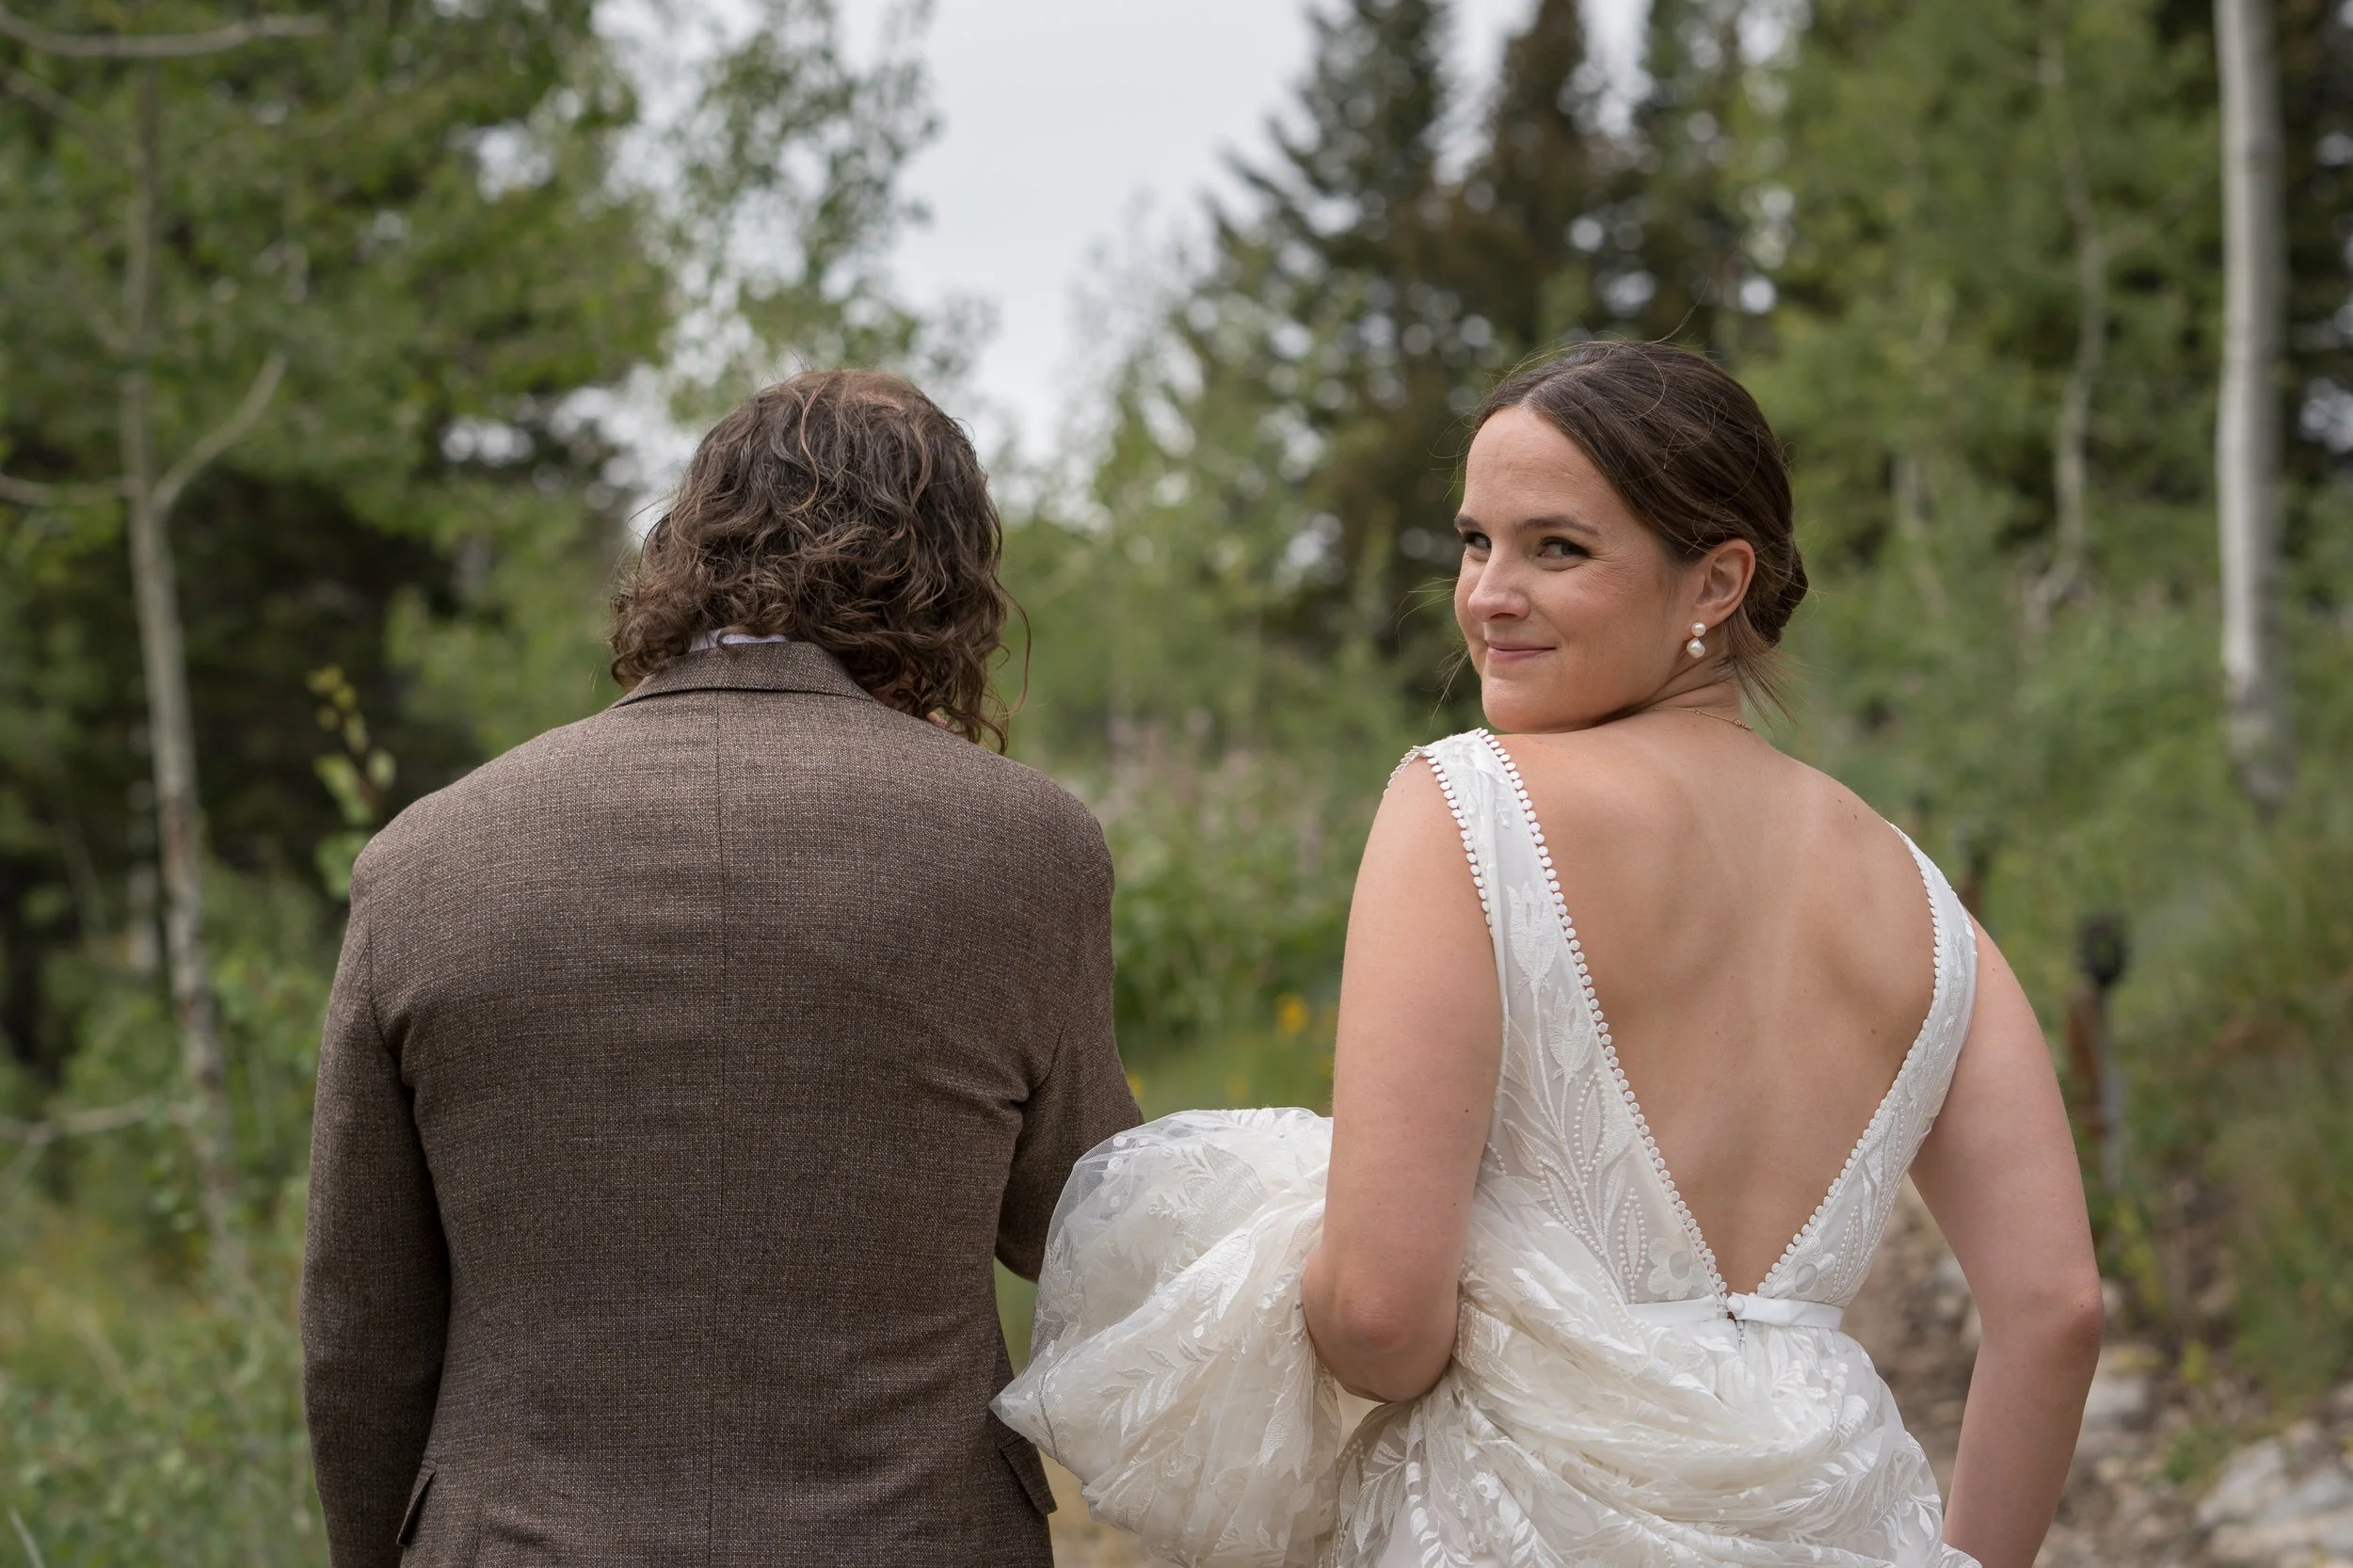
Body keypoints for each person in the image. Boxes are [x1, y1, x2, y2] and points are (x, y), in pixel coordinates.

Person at [994, 341, 2102, 1568]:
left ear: (1716, 581)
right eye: (1476, 541)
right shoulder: (1925, 899)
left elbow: (1378, 1315)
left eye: (1556, 548)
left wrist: (1269, 1253)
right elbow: (2056, 1309)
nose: (1487, 594)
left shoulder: (1467, 806)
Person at [301, 369, 1138, 1568]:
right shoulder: (1024, 847)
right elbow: (1080, 1224)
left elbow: (361, 1331)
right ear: (948, 589)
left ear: (692, 544)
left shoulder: (426, 859)